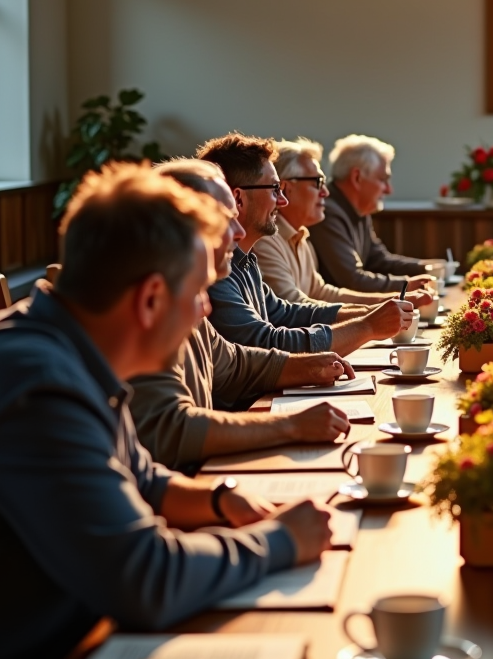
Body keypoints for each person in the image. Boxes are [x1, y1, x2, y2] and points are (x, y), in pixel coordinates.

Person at [0, 163, 334, 659]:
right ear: (149, 300)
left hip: (82, 656)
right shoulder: (37, 385)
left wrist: (221, 502)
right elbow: (144, 578)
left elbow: (144, 480)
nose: (206, 311)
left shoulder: (69, 348)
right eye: (197, 295)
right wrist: (278, 543)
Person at [128, 159, 355, 473]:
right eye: (224, 220)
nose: (238, 232)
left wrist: (309, 365)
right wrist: (290, 427)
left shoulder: (185, 297)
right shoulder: (145, 310)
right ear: (179, 231)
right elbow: (172, 431)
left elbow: (234, 363)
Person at [197, 133, 413, 353]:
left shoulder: (246, 259)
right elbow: (262, 342)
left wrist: (373, 314)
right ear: (238, 199)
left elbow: (286, 313)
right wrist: (367, 325)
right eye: (274, 189)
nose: (282, 201)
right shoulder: (219, 268)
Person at [254, 137, 432, 307]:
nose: (325, 192)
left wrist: (395, 299)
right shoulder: (265, 239)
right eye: (318, 182)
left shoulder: (300, 236)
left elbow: (323, 293)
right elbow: (293, 306)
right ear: (285, 188)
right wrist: (376, 312)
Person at [309, 134, 429, 293]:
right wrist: (407, 285)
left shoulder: (359, 208)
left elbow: (378, 260)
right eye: (382, 179)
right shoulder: (327, 212)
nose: (388, 190)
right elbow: (352, 280)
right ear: (357, 177)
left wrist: (428, 268)